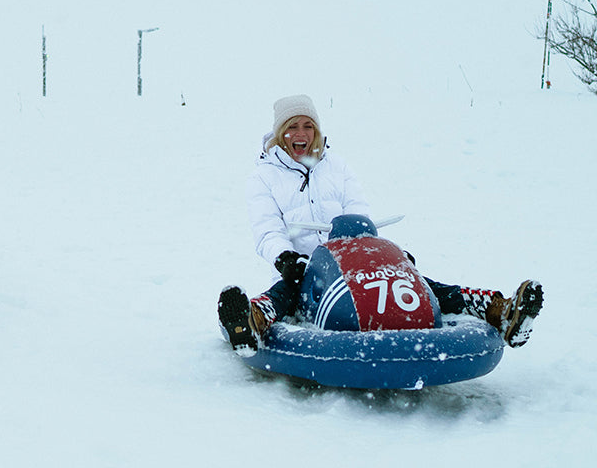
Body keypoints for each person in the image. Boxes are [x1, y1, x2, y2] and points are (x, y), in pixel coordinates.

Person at [217, 94, 542, 351]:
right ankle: (250, 318)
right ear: (280, 133)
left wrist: (384, 254)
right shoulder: (263, 177)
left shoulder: (336, 166)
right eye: (292, 126)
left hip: (348, 261)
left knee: (417, 284)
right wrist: (285, 257)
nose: (300, 134)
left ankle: (500, 310)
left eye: (307, 125)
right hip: (304, 270)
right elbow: (267, 229)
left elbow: (358, 211)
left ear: (316, 130)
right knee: (285, 294)